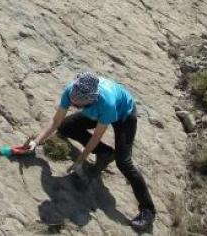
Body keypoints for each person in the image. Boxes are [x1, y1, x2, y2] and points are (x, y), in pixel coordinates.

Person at [25, 71, 156, 231]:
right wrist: (36, 142)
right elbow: (56, 120)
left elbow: (96, 137)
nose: (74, 106)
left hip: (124, 115)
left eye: (78, 106)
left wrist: (80, 160)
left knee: (124, 162)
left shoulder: (105, 104)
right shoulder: (72, 90)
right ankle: (106, 153)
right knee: (66, 126)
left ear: (89, 101)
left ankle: (148, 211)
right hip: (97, 110)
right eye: (72, 103)